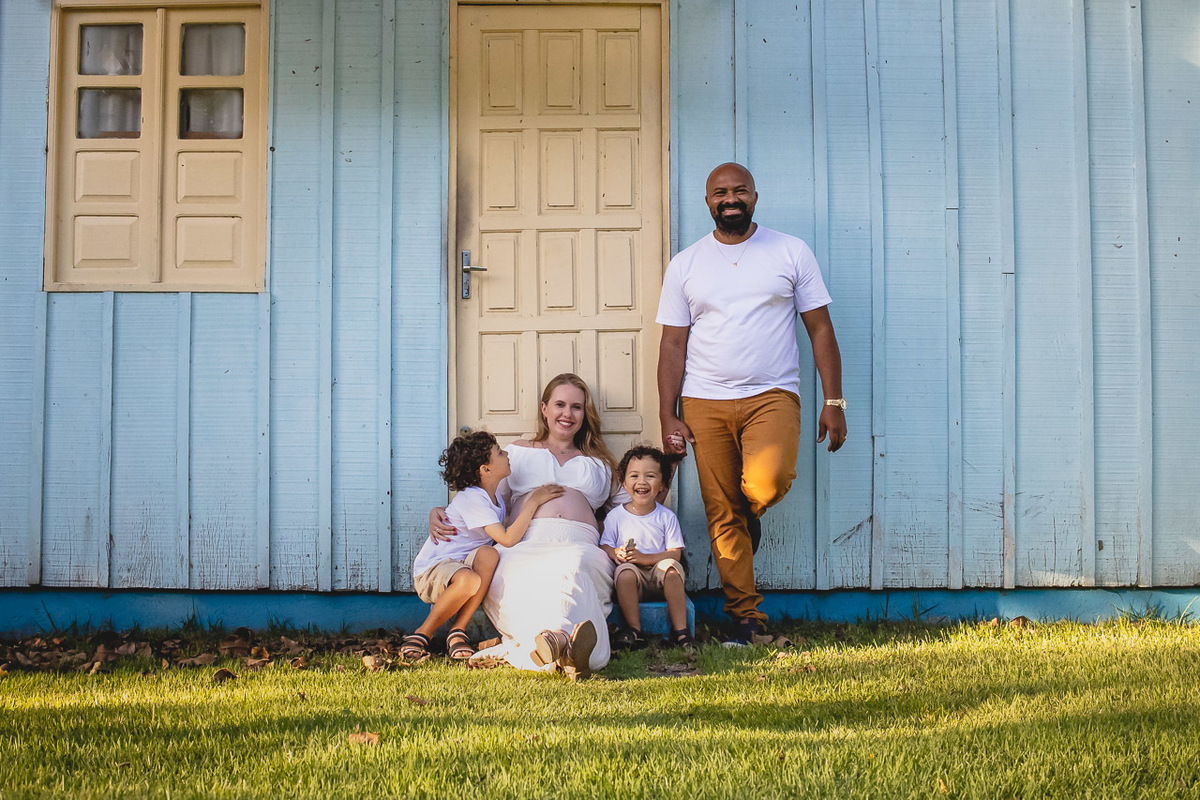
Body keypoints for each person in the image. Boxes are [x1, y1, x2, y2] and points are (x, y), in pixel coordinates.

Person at [657, 162, 847, 644]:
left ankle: (749, 517)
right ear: (708, 202)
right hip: (704, 400)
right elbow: (672, 344)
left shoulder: (789, 251)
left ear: (755, 197)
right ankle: (746, 617)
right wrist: (667, 412)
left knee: (768, 481)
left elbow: (820, 328)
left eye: (739, 190)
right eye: (720, 192)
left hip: (772, 395)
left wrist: (835, 401)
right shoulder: (686, 264)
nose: (730, 198)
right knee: (722, 510)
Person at [429, 373, 620, 679]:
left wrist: (672, 464)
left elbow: (639, 503)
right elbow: (481, 497)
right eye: (560, 404)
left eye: (576, 407)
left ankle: (552, 643)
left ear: (586, 414)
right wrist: (439, 512)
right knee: (518, 576)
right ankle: (567, 647)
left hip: (579, 544)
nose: (567, 414)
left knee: (575, 567)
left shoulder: (599, 462)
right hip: (523, 544)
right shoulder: (516, 452)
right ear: (544, 408)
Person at [404, 430, 563, 661]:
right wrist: (535, 501)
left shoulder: (493, 498)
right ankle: (422, 633)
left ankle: (457, 631)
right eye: (499, 452)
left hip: (460, 566)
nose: (506, 453)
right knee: (470, 579)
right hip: (432, 571)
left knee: (489, 555)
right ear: (485, 469)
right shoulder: (472, 498)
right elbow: (507, 538)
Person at [600, 445, 692, 649]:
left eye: (650, 476)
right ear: (624, 483)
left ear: (662, 484)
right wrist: (615, 552)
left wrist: (644, 558)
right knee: (624, 572)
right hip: (634, 581)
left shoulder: (666, 516)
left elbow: (675, 553)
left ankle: (681, 632)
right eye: (634, 476)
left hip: (661, 579)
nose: (641, 482)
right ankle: (634, 629)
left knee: (671, 568)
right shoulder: (616, 516)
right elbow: (605, 545)